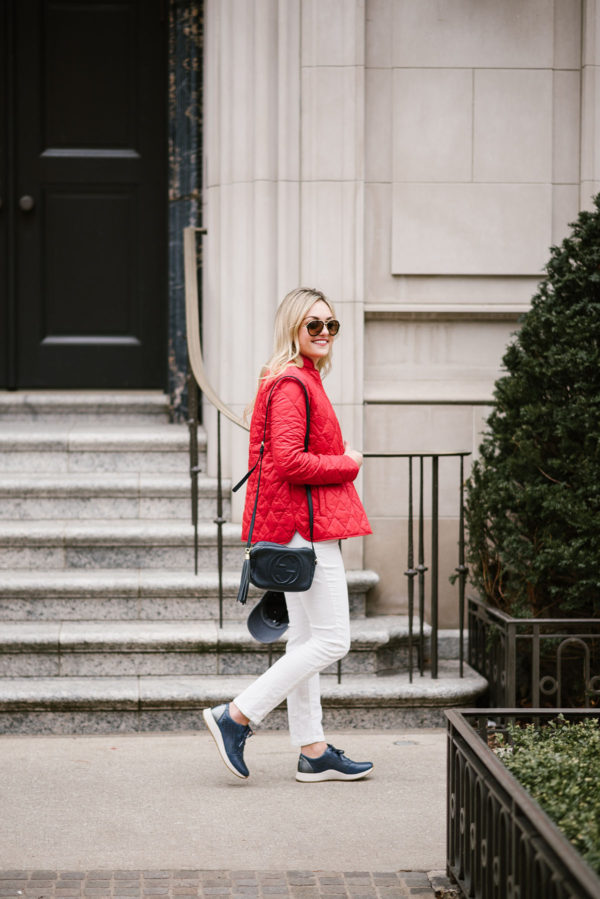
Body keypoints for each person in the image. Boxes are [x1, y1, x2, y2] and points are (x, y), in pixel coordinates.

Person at [203, 287, 373, 782]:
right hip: (304, 530)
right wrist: (349, 464)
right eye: (312, 325)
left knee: (303, 639)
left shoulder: (299, 379)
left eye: (331, 325)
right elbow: (288, 461)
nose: (323, 333)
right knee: (333, 640)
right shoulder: (292, 383)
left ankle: (313, 751)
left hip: (301, 524)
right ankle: (235, 716)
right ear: (293, 329)